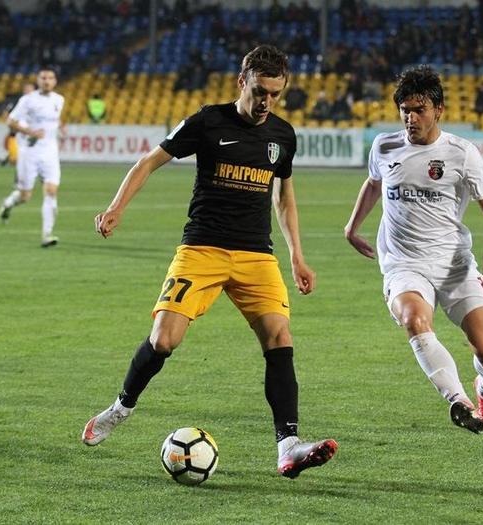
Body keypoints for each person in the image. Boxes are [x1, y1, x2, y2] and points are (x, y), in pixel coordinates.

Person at [81, 45, 338, 479]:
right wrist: (116, 207)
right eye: (259, 92)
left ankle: (289, 446)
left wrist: (297, 254)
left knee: (279, 337)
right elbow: (150, 161)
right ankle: (120, 408)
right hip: (202, 249)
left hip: (256, 254)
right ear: (242, 82)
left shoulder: (282, 135)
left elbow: (284, 196)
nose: (266, 102)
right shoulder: (208, 121)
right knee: (164, 340)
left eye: (275, 94)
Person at [344, 65, 483, 434]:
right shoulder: (385, 145)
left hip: (454, 264)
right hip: (403, 264)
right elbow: (373, 183)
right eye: (404, 110)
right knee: (415, 320)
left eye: (419, 110)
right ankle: (459, 401)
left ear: (439, 110)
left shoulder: (462, 154)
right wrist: (351, 227)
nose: (410, 118)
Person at [0, 67, 65, 247]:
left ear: (55, 81)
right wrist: (30, 132)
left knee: (51, 191)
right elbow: (11, 121)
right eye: (43, 78)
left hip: (50, 152)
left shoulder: (59, 100)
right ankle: (8, 204)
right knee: (25, 195)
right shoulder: (28, 100)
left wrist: (60, 129)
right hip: (29, 152)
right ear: (38, 81)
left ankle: (47, 235)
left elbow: (53, 120)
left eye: (50, 78)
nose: (47, 81)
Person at [1, 82, 36, 166]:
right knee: (15, 161)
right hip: (17, 134)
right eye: (26, 89)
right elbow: (7, 115)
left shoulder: (38, 103)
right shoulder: (19, 102)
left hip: (32, 135)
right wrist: (14, 124)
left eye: (30, 89)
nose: (28, 91)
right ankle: (11, 157)